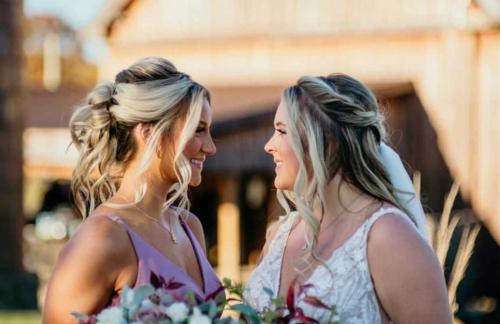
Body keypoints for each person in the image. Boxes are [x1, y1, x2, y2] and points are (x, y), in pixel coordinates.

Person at [244, 74, 453, 323]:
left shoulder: (389, 236)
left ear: (325, 141)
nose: (269, 145)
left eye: (281, 131)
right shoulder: (280, 236)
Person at [42, 57, 221, 323]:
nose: (210, 147)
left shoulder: (189, 227)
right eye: (198, 130)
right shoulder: (102, 237)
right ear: (149, 133)